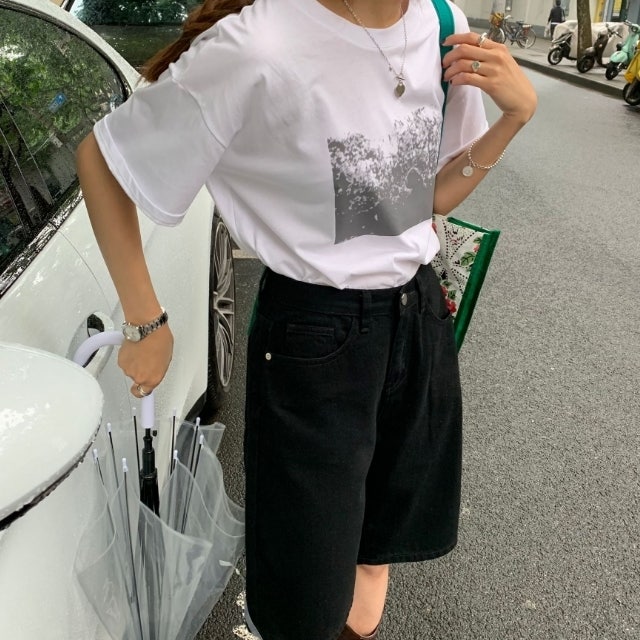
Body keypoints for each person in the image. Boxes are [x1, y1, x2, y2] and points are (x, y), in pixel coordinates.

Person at [76, 1, 536, 639]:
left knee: (376, 547)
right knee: (304, 594)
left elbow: (423, 197)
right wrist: (145, 320)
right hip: (317, 336)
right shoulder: (260, 44)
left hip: (416, 318)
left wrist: (513, 118)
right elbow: (102, 159)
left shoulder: (440, 21)